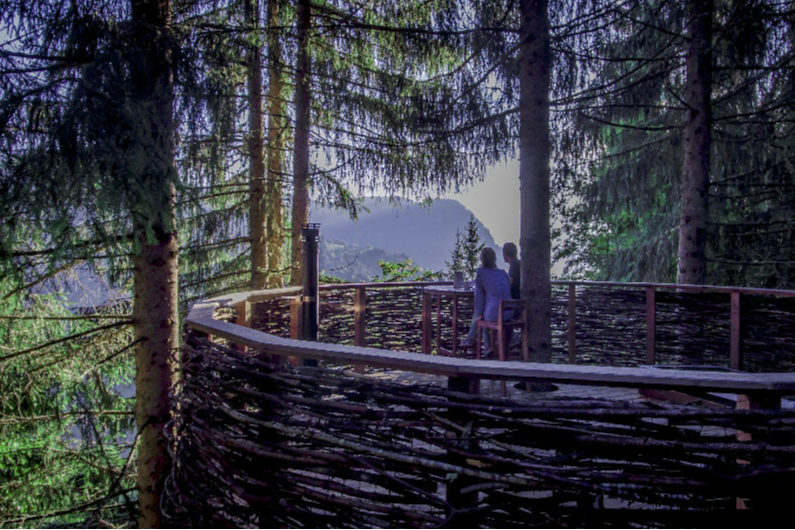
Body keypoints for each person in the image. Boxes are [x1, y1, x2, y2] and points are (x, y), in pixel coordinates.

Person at [461, 247, 513, 352]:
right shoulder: (503, 273)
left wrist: (478, 313)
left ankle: (475, 341)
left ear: (482, 259)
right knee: (485, 313)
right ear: (495, 259)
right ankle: (485, 346)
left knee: (481, 316)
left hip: (495, 313)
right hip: (509, 311)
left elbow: (479, 296)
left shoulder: (481, 273)